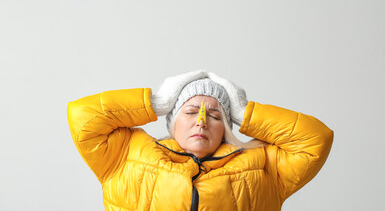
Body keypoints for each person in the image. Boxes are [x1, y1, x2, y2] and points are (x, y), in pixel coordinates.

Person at [67, 70, 333, 211]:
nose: (202, 121)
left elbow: (315, 139)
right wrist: (157, 102)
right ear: (172, 120)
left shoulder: (264, 166)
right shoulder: (124, 155)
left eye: (216, 116)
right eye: (191, 112)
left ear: (226, 127)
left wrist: (242, 112)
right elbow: (82, 117)